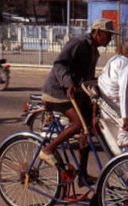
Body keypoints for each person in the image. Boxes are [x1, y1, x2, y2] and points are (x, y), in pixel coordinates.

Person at [40, 18, 117, 185]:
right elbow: (59, 65)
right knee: (77, 124)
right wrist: (69, 83)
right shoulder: (79, 43)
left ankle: (82, 174)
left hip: (74, 93)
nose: (110, 38)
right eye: (108, 35)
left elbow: (86, 77)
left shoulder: (94, 51)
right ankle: (48, 150)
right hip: (57, 92)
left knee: (88, 129)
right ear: (97, 32)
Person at [98, 38, 128, 131]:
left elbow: (102, 78)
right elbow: (123, 91)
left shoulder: (114, 59)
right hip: (117, 104)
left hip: (106, 100)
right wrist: (125, 116)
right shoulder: (127, 64)